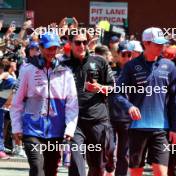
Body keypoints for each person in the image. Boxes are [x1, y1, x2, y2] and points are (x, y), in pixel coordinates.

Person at [113, 27, 176, 176]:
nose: (161, 47)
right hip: (137, 128)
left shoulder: (170, 66)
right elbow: (117, 93)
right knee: (136, 172)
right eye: (157, 44)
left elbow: (175, 100)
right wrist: (129, 106)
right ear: (146, 43)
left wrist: (175, 128)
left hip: (161, 130)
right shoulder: (131, 66)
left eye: (162, 43)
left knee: (162, 173)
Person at [10, 32, 79, 176]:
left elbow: (72, 103)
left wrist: (70, 129)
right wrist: (16, 127)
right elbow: (16, 102)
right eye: (48, 48)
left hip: (56, 130)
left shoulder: (65, 72)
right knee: (37, 167)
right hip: (32, 129)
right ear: (40, 48)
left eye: (54, 48)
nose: (51, 52)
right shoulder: (27, 69)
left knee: (50, 170)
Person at [63, 31, 115, 176]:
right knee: (76, 164)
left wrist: (100, 87)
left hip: (98, 121)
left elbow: (113, 88)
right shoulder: (63, 66)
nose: (82, 45)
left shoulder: (100, 62)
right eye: (78, 42)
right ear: (70, 44)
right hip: (74, 123)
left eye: (84, 42)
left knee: (98, 167)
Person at [108, 41, 132, 176]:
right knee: (109, 149)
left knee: (124, 154)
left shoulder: (134, 71)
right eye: (124, 54)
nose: (127, 57)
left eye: (129, 55)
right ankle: (110, 166)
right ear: (117, 55)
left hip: (127, 118)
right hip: (110, 116)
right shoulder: (110, 70)